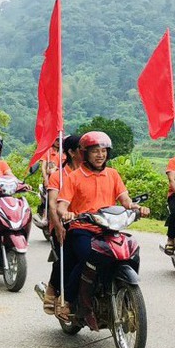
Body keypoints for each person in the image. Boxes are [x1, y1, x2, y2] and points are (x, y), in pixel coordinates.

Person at [56, 131, 149, 322]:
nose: (100, 155)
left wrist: (136, 208)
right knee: (88, 257)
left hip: (108, 228)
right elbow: (61, 204)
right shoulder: (74, 177)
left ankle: (119, 286)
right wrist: (66, 213)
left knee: (129, 250)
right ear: (84, 153)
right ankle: (69, 300)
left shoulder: (113, 174)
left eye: (104, 151)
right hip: (82, 228)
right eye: (95, 151)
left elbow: (125, 200)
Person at [39, 133, 81, 314]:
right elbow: (52, 204)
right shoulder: (59, 176)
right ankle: (52, 289)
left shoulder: (93, 172)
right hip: (64, 222)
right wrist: (58, 226)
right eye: (84, 149)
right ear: (72, 152)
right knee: (67, 254)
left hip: (90, 222)